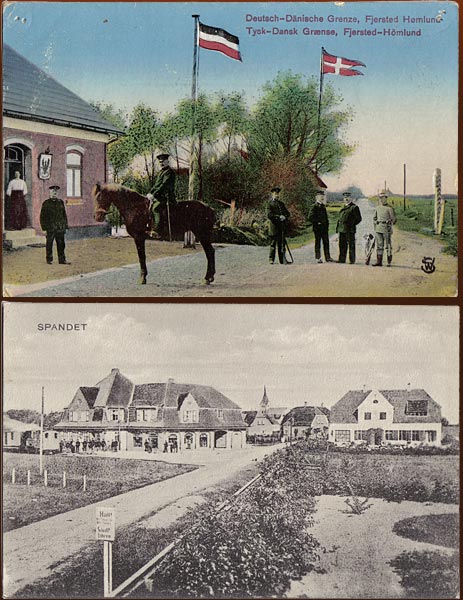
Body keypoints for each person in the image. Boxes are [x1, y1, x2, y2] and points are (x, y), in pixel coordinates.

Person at [39, 185, 70, 265]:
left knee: (61, 244)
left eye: (55, 192)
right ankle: (49, 259)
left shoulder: (61, 202)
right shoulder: (46, 203)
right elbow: (42, 217)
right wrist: (44, 228)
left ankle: (62, 260)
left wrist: (65, 225)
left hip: (60, 227)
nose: (54, 193)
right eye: (53, 192)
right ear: (49, 193)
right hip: (50, 228)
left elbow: (64, 214)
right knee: (49, 244)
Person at [147, 153, 177, 237]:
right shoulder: (161, 172)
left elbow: (164, 185)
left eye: (163, 161)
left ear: (168, 161)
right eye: (160, 162)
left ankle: (157, 231)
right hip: (159, 195)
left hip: (167, 196)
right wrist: (150, 192)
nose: (161, 163)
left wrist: (154, 194)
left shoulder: (169, 172)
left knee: (155, 208)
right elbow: (157, 185)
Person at [307, 189, 334, 263]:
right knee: (318, 243)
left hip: (324, 228)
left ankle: (327, 257)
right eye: (320, 196)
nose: (322, 198)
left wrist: (327, 225)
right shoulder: (314, 206)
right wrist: (317, 222)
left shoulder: (323, 206)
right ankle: (318, 258)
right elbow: (310, 217)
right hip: (317, 229)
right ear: (316, 197)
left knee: (326, 242)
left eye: (323, 196)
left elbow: (325, 217)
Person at [336, 191, 362, 264]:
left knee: (351, 245)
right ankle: (342, 259)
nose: (346, 199)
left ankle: (352, 260)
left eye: (348, 197)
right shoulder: (343, 207)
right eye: (345, 197)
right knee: (342, 245)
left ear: (351, 198)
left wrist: (351, 224)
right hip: (342, 229)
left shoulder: (354, 207)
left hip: (350, 230)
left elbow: (359, 219)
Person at [372, 191, 397, 267]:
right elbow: (374, 218)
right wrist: (375, 223)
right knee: (379, 245)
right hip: (378, 228)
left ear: (386, 199)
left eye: (383, 198)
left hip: (386, 229)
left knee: (388, 245)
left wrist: (390, 222)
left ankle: (389, 262)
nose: (382, 200)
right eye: (380, 198)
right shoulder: (377, 208)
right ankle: (379, 262)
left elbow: (394, 219)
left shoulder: (390, 208)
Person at [267, 187, 290, 264]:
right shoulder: (269, 204)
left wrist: (285, 217)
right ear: (272, 194)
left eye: (278, 194)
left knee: (282, 245)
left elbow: (287, 213)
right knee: (273, 245)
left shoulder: (281, 204)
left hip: (281, 228)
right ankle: (271, 259)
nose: (277, 195)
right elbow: (269, 215)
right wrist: (278, 217)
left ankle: (282, 260)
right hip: (273, 227)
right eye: (275, 194)